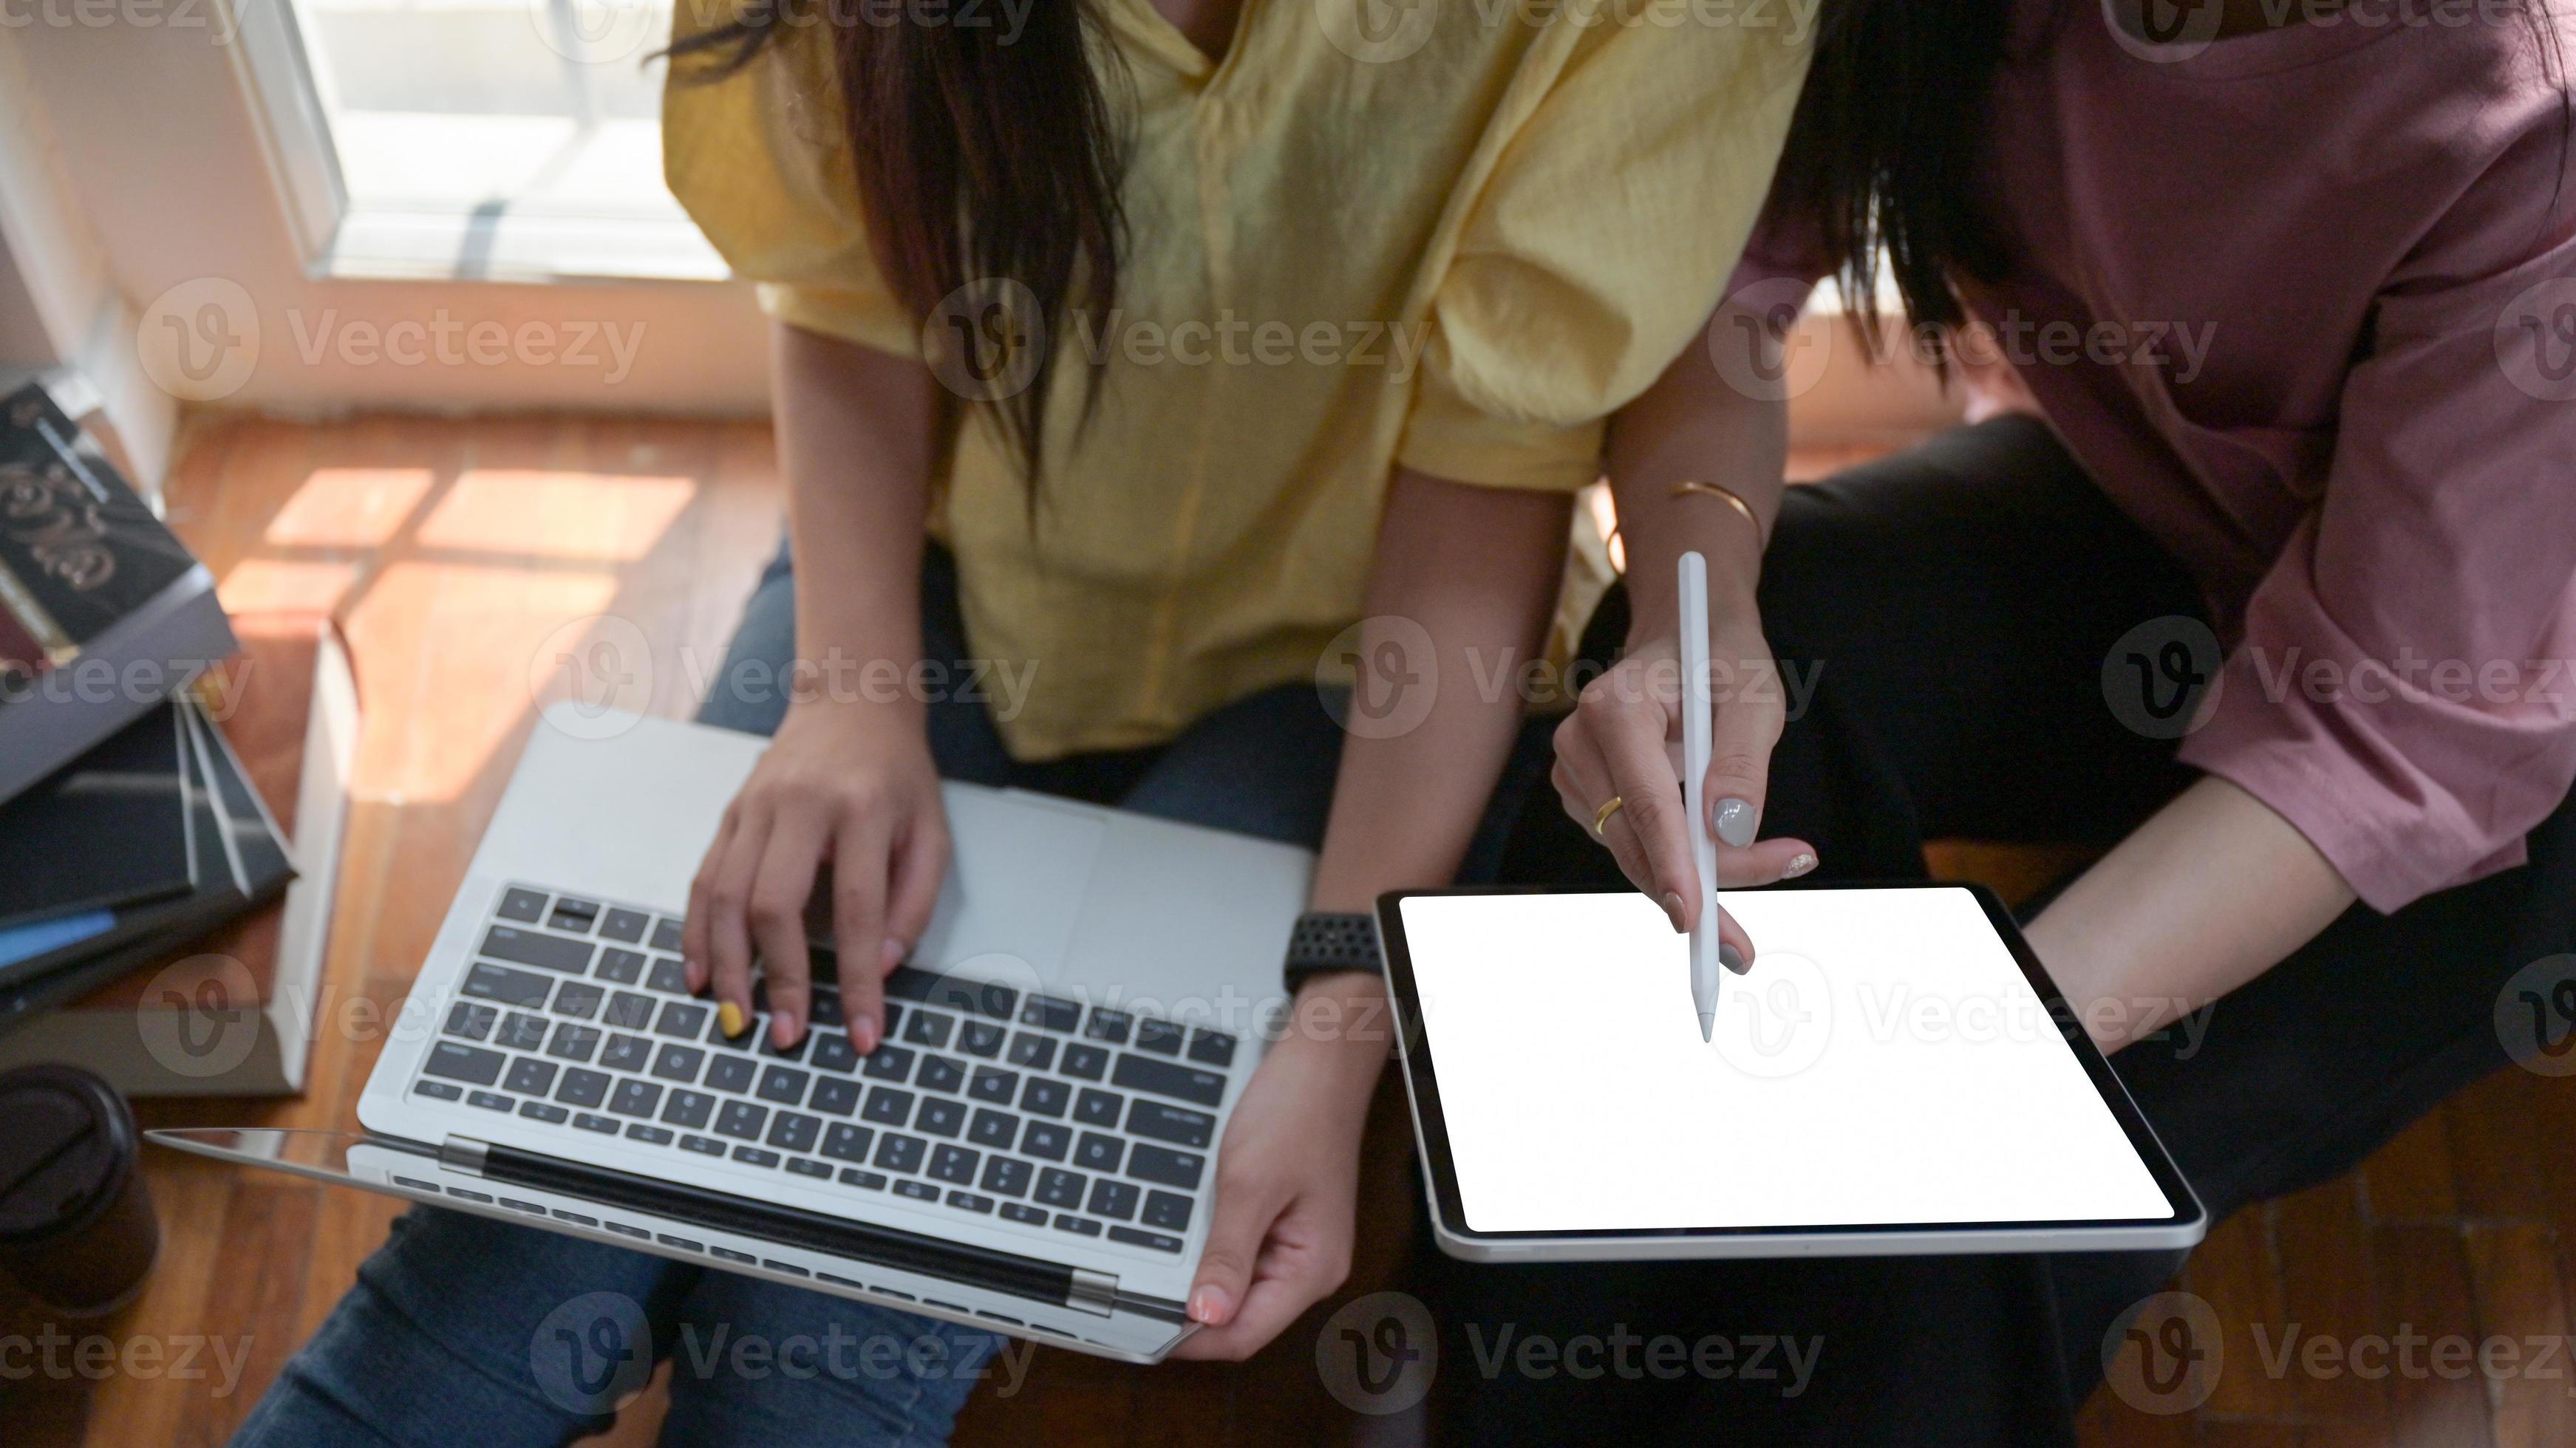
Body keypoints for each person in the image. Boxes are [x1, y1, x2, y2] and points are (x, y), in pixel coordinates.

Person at [229, 1, 1813, 1443]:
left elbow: (1495, 460)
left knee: (824, 1336)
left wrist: (1341, 1021)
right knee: (527, 1227)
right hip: (937, 574)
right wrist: (852, 693)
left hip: (1350, 677)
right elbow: (844, 292)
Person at [1417, 0, 2576, 1441]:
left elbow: (2392, 743)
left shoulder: (2526, 116)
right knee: (1785, 630)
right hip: (2185, 536)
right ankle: (1520, 1377)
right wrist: (1686, 620)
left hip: (2491, 760)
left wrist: (1949, 1054)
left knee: (1985, 1186)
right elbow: (1725, 284)